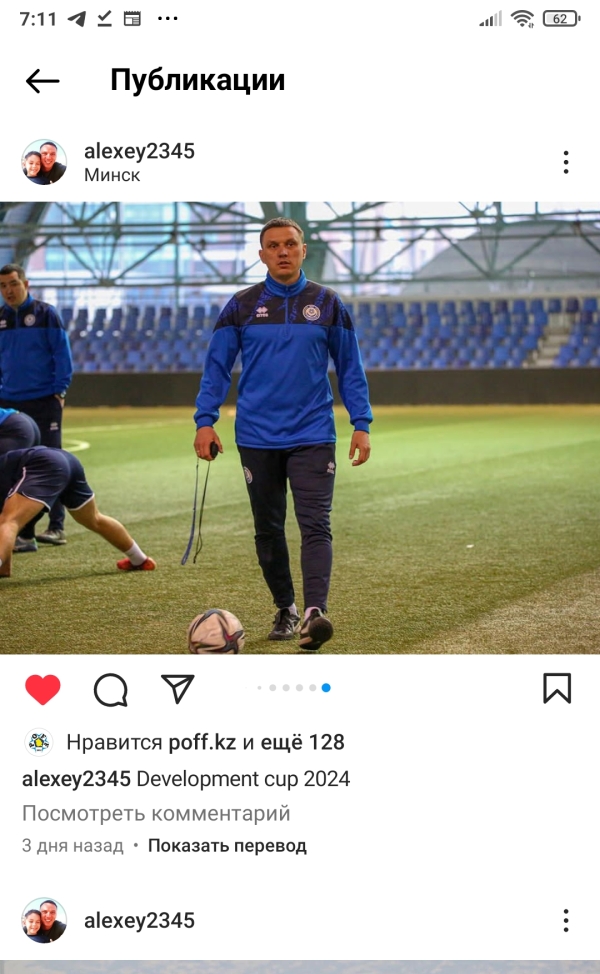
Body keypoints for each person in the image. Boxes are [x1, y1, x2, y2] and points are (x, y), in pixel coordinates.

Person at [193, 218, 372, 652]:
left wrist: (361, 423)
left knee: (316, 524)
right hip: (256, 436)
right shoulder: (241, 305)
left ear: (303, 250)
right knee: (268, 528)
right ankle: (286, 607)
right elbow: (217, 367)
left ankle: (313, 613)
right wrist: (205, 420)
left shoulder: (328, 303)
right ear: (262, 255)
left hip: (313, 433)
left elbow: (350, 367)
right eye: (273, 246)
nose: (283, 251)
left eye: (290, 244)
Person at [0, 445, 156, 579]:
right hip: (68, 460)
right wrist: (4, 569)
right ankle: (139, 559)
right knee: (95, 519)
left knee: (9, 521)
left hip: (44, 463)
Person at [0, 262, 73, 550]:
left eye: (13, 284)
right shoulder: (1, 318)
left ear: (26, 284)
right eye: (3, 286)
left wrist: (60, 391)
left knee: (53, 460)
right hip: (9, 404)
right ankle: (22, 532)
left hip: (44, 401)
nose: (8, 290)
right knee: (12, 466)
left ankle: (56, 526)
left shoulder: (46, 314)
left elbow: (62, 354)